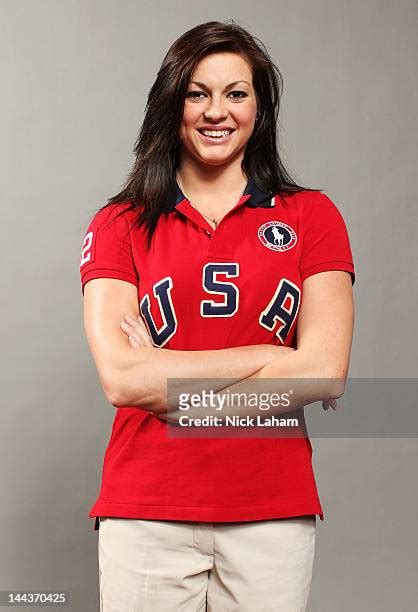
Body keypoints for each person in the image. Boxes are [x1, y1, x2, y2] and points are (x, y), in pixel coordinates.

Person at [79, 19, 355, 612]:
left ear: (260, 106)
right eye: (197, 93)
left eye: (236, 93)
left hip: (271, 508)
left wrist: (171, 382)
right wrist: (268, 357)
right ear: (171, 103)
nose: (216, 112)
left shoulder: (314, 216)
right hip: (146, 507)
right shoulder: (119, 223)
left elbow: (324, 373)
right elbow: (123, 381)